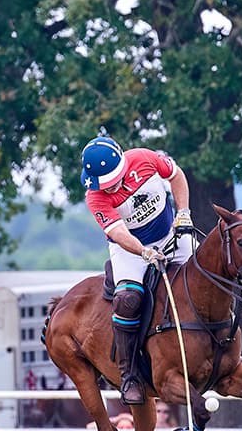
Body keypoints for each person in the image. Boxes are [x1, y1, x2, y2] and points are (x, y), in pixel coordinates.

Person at [81, 135, 194, 405]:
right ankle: (129, 373)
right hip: (129, 249)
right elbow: (119, 233)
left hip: (170, 233)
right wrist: (143, 252)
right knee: (128, 299)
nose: (111, 189)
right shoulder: (95, 198)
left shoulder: (144, 158)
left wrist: (184, 212)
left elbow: (176, 177)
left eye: (114, 180)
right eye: (105, 185)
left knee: (205, 278)